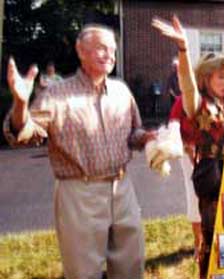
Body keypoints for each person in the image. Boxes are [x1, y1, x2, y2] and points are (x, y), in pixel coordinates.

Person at [3, 24, 156, 279]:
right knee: (83, 271)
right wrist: (21, 105)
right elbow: (24, 134)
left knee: (132, 265)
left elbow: (134, 133)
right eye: (102, 49)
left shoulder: (121, 91)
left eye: (113, 50)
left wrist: (149, 137)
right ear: (81, 51)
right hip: (79, 193)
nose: (110, 55)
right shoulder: (56, 94)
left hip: (122, 188)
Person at [152, 7, 224, 279]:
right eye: (221, 77)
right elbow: (187, 84)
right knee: (210, 235)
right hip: (208, 176)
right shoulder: (196, 103)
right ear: (206, 78)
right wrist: (183, 49)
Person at [169, 96, 202, 261]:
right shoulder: (183, 100)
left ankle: (214, 241)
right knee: (195, 197)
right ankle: (198, 243)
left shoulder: (218, 94)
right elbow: (173, 126)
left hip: (215, 153)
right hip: (190, 153)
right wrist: (187, 147)